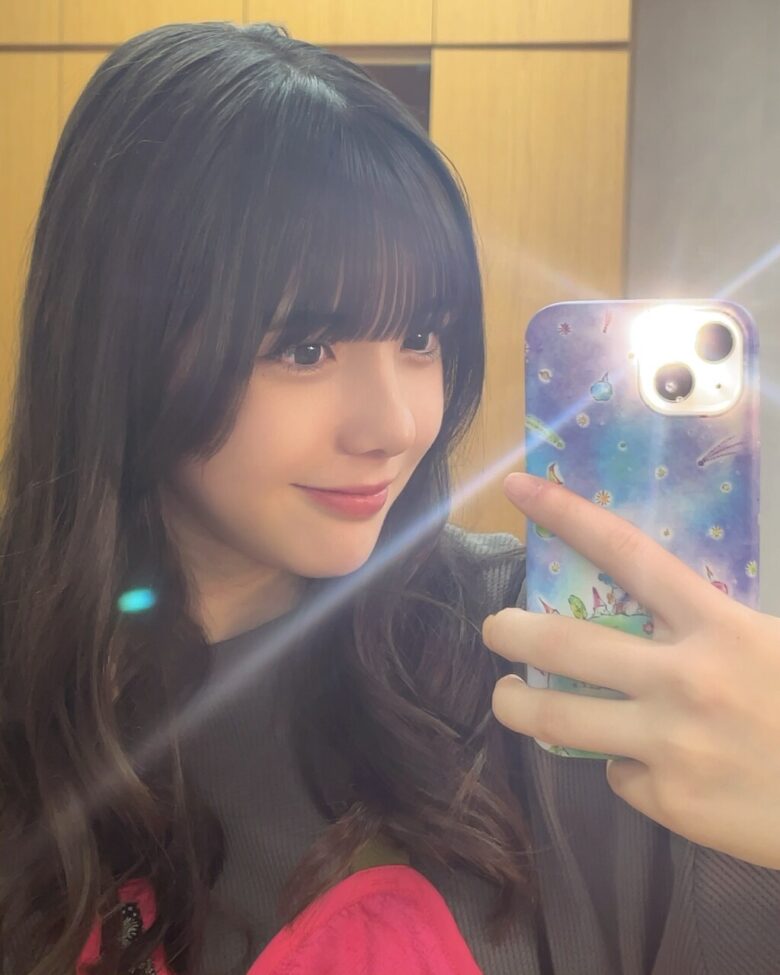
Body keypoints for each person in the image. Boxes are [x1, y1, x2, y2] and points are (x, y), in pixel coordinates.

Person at [1, 21, 778, 975]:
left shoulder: (536, 655)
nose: (398, 424)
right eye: (305, 348)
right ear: (123, 341)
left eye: (422, 337)